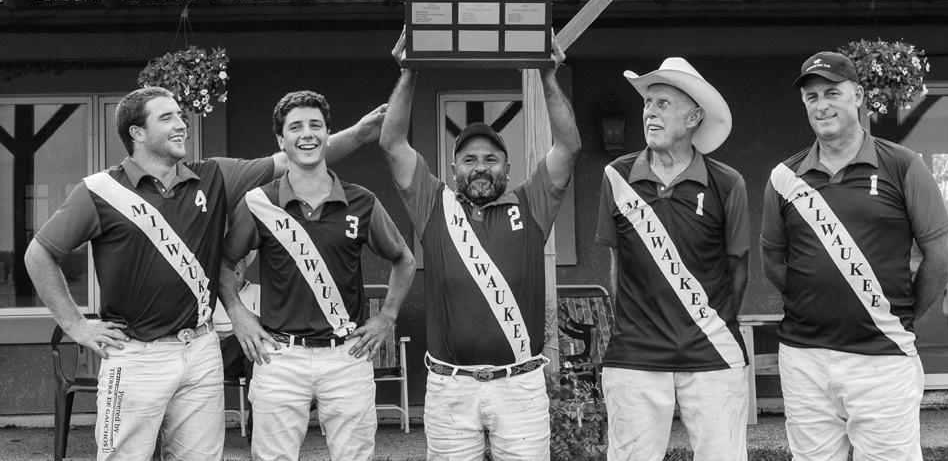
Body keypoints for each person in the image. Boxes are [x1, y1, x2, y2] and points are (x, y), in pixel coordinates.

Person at [24, 85, 386, 460]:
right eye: (167, 117)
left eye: (181, 116)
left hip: (201, 350)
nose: (182, 124)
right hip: (135, 356)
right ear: (137, 132)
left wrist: (360, 134)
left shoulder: (213, 176)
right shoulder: (99, 190)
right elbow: (39, 253)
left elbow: (294, 157)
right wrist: (76, 325)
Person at [380, 34, 580, 460]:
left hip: (519, 387)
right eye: (469, 160)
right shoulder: (434, 205)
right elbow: (393, 144)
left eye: (491, 159)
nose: (481, 168)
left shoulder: (531, 204)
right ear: (454, 169)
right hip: (451, 388)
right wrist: (409, 70)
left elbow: (568, 147)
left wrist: (548, 75)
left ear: (508, 167)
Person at [760, 52, 948, 461]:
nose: (822, 105)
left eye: (832, 93)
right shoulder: (783, 177)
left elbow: (942, 259)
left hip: (882, 359)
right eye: (812, 97)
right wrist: (815, 302)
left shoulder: (903, 165)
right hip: (804, 359)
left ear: (859, 96)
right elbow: (773, 261)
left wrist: (896, 314)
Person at [219, 90, 416, 461]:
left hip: (346, 355)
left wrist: (387, 316)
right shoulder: (259, 202)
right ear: (281, 140)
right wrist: (237, 312)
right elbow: (225, 262)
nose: (306, 133)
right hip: (279, 356)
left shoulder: (362, 201)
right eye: (295, 127)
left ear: (327, 135)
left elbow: (404, 259)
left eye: (315, 125)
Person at [595, 57, 750, 461]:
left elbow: (738, 268)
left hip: (713, 352)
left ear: (694, 117)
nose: (650, 112)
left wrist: (710, 324)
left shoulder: (727, 183)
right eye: (648, 103)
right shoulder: (616, 176)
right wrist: (635, 325)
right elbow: (617, 261)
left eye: (663, 104)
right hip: (635, 354)